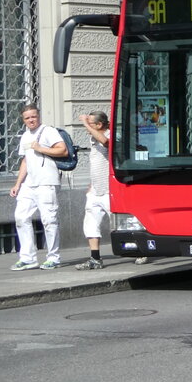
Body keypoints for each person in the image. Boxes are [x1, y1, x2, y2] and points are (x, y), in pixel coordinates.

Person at [9, 104, 68, 270]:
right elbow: (25, 161)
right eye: (27, 118)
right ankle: (28, 258)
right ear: (23, 120)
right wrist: (18, 184)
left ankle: (53, 257)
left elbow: (62, 150)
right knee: (21, 217)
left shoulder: (48, 131)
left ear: (38, 116)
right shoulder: (25, 136)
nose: (31, 120)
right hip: (29, 183)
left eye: (33, 116)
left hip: (46, 182)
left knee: (49, 220)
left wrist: (40, 148)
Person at [75, 111, 114, 270]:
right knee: (90, 223)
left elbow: (106, 142)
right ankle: (95, 258)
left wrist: (85, 123)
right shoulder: (93, 137)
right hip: (96, 189)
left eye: (91, 123)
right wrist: (92, 184)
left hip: (109, 190)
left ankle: (139, 251)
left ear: (99, 125)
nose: (87, 126)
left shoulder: (110, 135)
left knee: (121, 222)